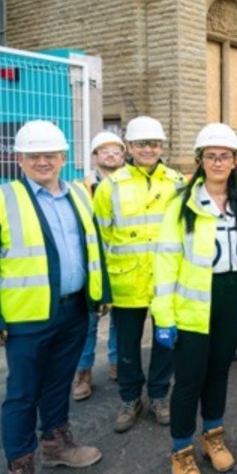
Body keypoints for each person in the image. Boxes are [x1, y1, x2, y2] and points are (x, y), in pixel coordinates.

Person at [0, 120, 111, 474]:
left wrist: (100, 294)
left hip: (73, 309)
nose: (43, 161)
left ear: (64, 157)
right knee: (22, 395)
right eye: (34, 155)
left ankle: (56, 445)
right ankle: (20, 470)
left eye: (50, 154)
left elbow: (93, 249)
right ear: (20, 159)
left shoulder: (80, 196)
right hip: (26, 319)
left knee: (59, 382)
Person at [150, 123, 237, 474]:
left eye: (226, 156)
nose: (219, 162)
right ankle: (181, 453)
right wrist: (163, 317)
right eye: (211, 156)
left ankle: (213, 437)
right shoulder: (181, 205)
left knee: (218, 373)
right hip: (193, 302)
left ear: (235, 161)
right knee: (188, 381)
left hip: (232, 298)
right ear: (200, 161)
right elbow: (166, 262)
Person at [94, 115, 185, 433]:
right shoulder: (110, 187)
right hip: (127, 281)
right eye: (142, 143)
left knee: (166, 342)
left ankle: (159, 395)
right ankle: (130, 398)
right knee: (128, 346)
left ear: (162, 146)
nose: (148, 149)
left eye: (154, 143)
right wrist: (102, 287)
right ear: (129, 147)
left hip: (165, 281)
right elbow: (102, 239)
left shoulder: (176, 183)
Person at [73, 131, 125, 401]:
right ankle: (83, 373)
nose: (111, 155)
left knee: (120, 320)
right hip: (93, 265)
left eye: (116, 150)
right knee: (89, 322)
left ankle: (117, 363)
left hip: (122, 263)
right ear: (95, 156)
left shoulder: (127, 185)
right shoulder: (79, 189)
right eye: (105, 150)